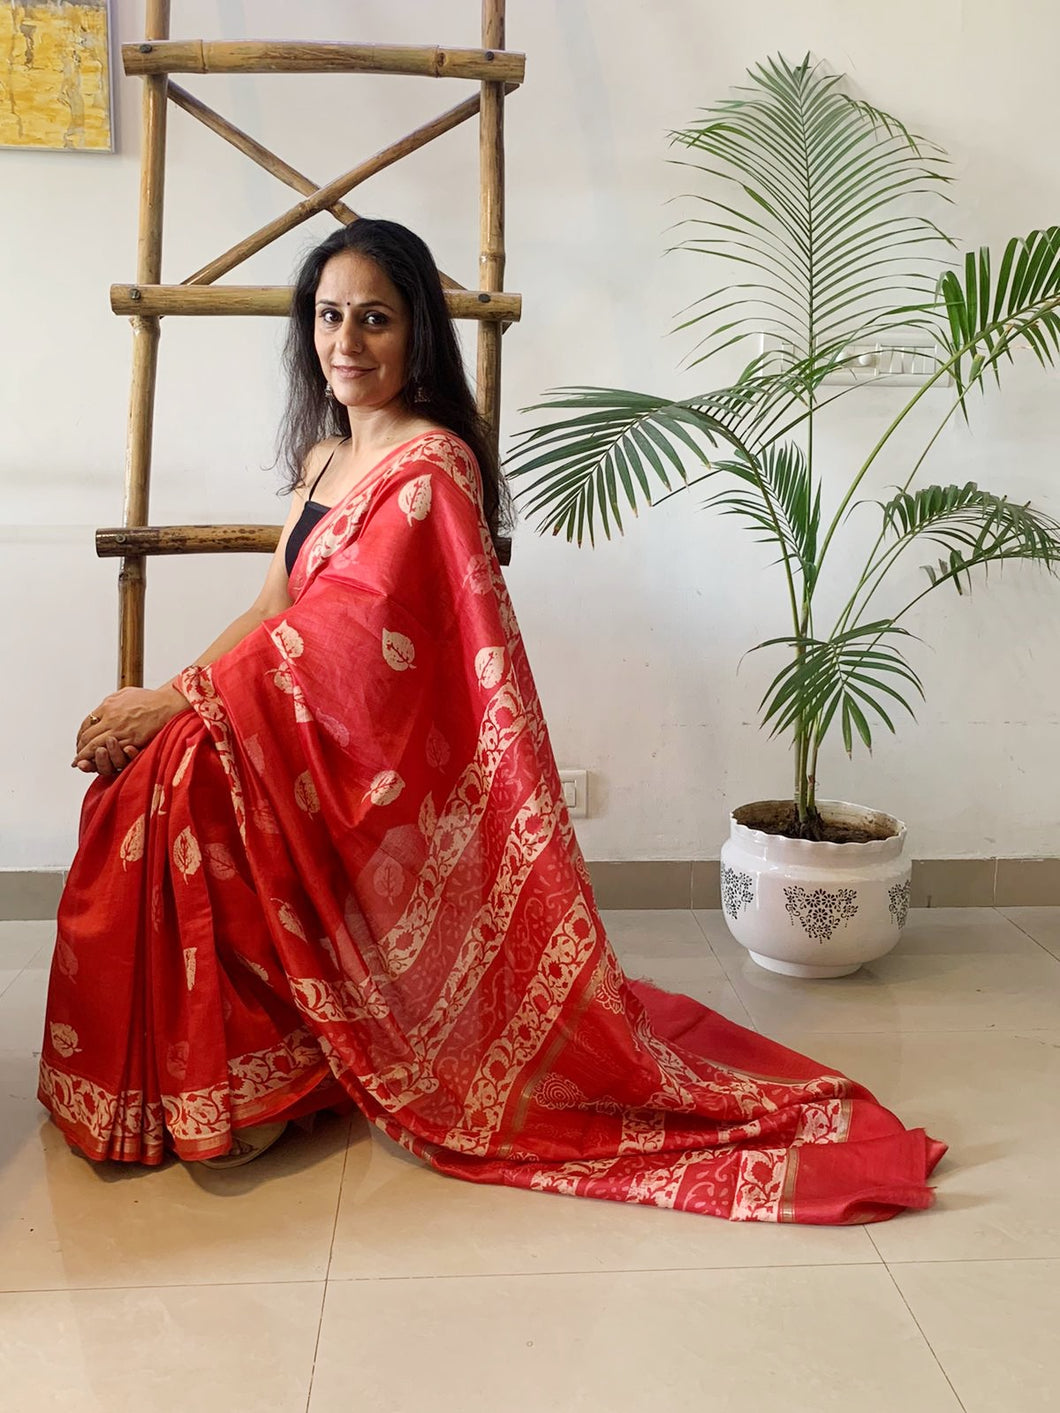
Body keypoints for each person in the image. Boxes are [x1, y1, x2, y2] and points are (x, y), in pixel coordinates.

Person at [40, 219, 944, 1217]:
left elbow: (352, 635)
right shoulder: (321, 458)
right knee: (140, 783)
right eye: (329, 317)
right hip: (285, 729)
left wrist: (177, 709)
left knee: (180, 789)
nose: (346, 342)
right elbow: (271, 611)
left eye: (374, 320)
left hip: (360, 765)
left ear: (416, 332)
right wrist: (167, 703)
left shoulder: (431, 466)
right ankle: (206, 1080)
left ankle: (279, 1079)